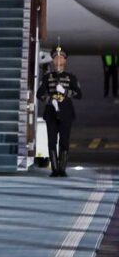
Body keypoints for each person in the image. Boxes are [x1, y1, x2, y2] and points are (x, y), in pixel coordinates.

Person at [36, 45, 81, 177]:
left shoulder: (71, 77)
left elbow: (79, 94)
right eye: (56, 58)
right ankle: (55, 169)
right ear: (53, 61)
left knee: (64, 141)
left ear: (65, 60)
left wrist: (65, 91)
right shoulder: (47, 77)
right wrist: (50, 100)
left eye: (61, 58)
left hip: (66, 112)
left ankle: (62, 168)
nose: (58, 61)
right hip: (51, 112)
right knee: (52, 141)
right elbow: (39, 94)